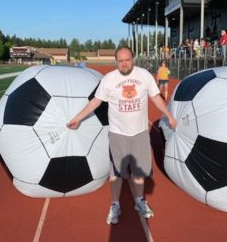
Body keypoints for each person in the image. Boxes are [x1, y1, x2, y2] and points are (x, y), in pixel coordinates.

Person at [67, 46, 177, 225]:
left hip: (140, 133)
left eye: (127, 60)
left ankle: (140, 201)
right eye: (120, 61)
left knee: (139, 172)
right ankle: (115, 204)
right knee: (116, 174)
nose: (124, 64)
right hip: (118, 134)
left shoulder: (144, 75)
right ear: (116, 61)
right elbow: (96, 101)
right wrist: (78, 118)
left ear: (133, 59)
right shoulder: (109, 79)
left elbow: (156, 97)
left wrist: (169, 116)